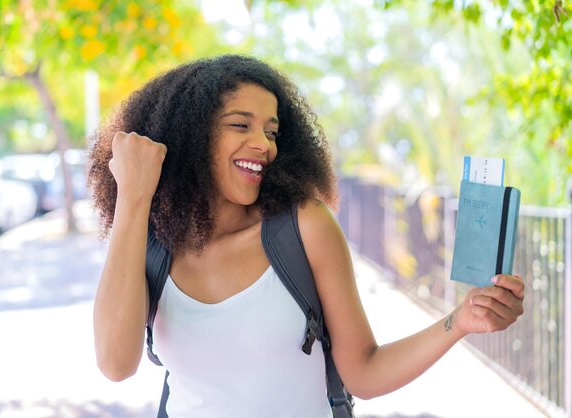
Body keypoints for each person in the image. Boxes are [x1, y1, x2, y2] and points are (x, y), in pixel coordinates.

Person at [87, 54, 524, 417]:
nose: (264, 144)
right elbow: (115, 363)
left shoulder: (303, 227)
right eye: (241, 125)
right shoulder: (153, 244)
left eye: (272, 131)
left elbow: (365, 373)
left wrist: (459, 322)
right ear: (190, 134)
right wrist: (134, 197)